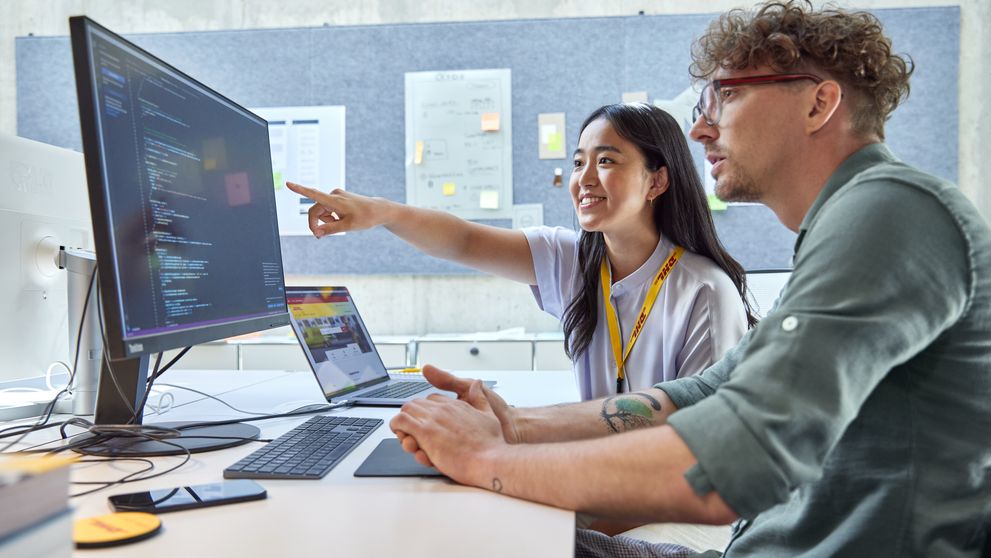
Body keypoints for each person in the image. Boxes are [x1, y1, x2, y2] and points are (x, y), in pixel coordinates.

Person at [386, 1, 991, 557]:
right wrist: (514, 425)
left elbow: (738, 455)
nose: (700, 130)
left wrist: (487, 457)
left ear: (817, 104)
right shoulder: (846, 224)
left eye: (724, 96)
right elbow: (701, 393)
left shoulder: (889, 211)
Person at [287, 103, 756, 400]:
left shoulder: (704, 294)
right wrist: (381, 213)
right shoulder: (574, 260)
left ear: (657, 180)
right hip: (598, 475)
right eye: (578, 162)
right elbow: (464, 240)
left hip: (663, 504)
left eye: (607, 160)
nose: (584, 178)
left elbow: (695, 452)